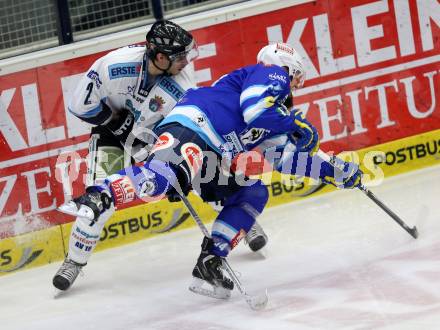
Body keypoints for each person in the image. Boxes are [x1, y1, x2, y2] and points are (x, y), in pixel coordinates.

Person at [57, 43, 363, 297]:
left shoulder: (273, 117)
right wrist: (296, 123)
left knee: (252, 192)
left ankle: (210, 261)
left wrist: (335, 173)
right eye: (298, 76)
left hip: (212, 153)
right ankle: (100, 196)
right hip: (195, 126)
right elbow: (254, 109)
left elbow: (286, 160)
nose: (298, 84)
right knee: (164, 178)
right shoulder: (269, 74)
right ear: (286, 67)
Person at [53, 20, 267, 292]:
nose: (186, 62)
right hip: (112, 135)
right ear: (161, 56)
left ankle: (241, 224)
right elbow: (79, 105)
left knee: (205, 174)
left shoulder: (184, 84)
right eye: (180, 57)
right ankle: (74, 261)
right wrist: (114, 120)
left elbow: (194, 129)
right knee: (98, 198)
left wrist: (178, 172)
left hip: (160, 135)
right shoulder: (113, 65)